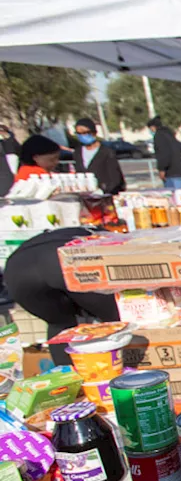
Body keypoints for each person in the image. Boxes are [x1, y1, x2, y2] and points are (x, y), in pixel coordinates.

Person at [6, 227, 121, 364]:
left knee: (60, 326)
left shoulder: (68, 233)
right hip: (65, 260)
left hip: (17, 270)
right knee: (120, 320)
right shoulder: (110, 240)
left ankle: (67, 379)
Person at [71, 119, 125, 194]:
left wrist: (102, 190)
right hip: (86, 195)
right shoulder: (77, 152)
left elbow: (115, 178)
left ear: (94, 133)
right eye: (79, 133)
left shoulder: (106, 152)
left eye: (85, 133)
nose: (82, 136)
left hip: (105, 194)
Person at [148, 117, 181, 189]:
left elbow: (163, 154)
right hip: (179, 169)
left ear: (153, 127)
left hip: (170, 172)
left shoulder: (159, 136)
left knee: (172, 194)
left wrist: (162, 169)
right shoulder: (170, 135)